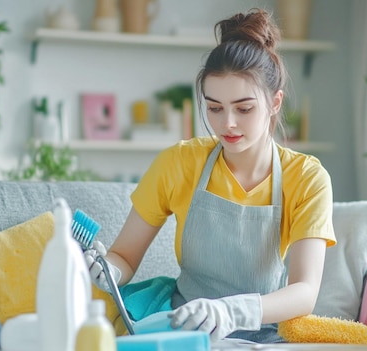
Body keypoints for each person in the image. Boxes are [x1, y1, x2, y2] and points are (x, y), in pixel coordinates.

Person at [84, 8, 336, 344]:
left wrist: (232, 312)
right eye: (214, 107)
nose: (227, 123)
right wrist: (108, 270)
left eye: (244, 109)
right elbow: (125, 256)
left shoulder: (307, 178)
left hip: (263, 333)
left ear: (275, 102)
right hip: (182, 328)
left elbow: (305, 292)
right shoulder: (179, 162)